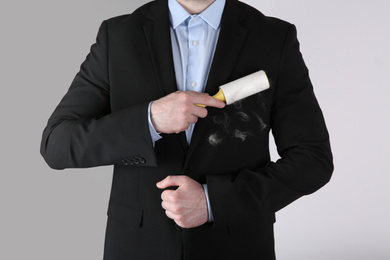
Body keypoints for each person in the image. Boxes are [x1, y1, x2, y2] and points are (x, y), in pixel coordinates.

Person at [40, 0, 333, 259]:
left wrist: (213, 201)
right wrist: (149, 120)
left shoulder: (273, 38)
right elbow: (57, 143)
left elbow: (313, 159)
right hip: (137, 247)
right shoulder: (118, 36)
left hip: (238, 247)